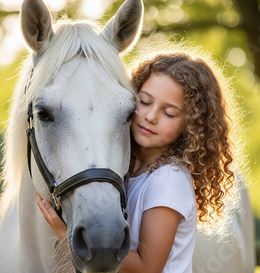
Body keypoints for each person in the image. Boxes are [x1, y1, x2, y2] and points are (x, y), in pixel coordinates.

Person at [37, 51, 240, 272]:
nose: (151, 116)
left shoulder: (168, 180)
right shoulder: (126, 168)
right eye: (144, 101)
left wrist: (64, 232)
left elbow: (147, 268)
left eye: (169, 113)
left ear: (190, 125)